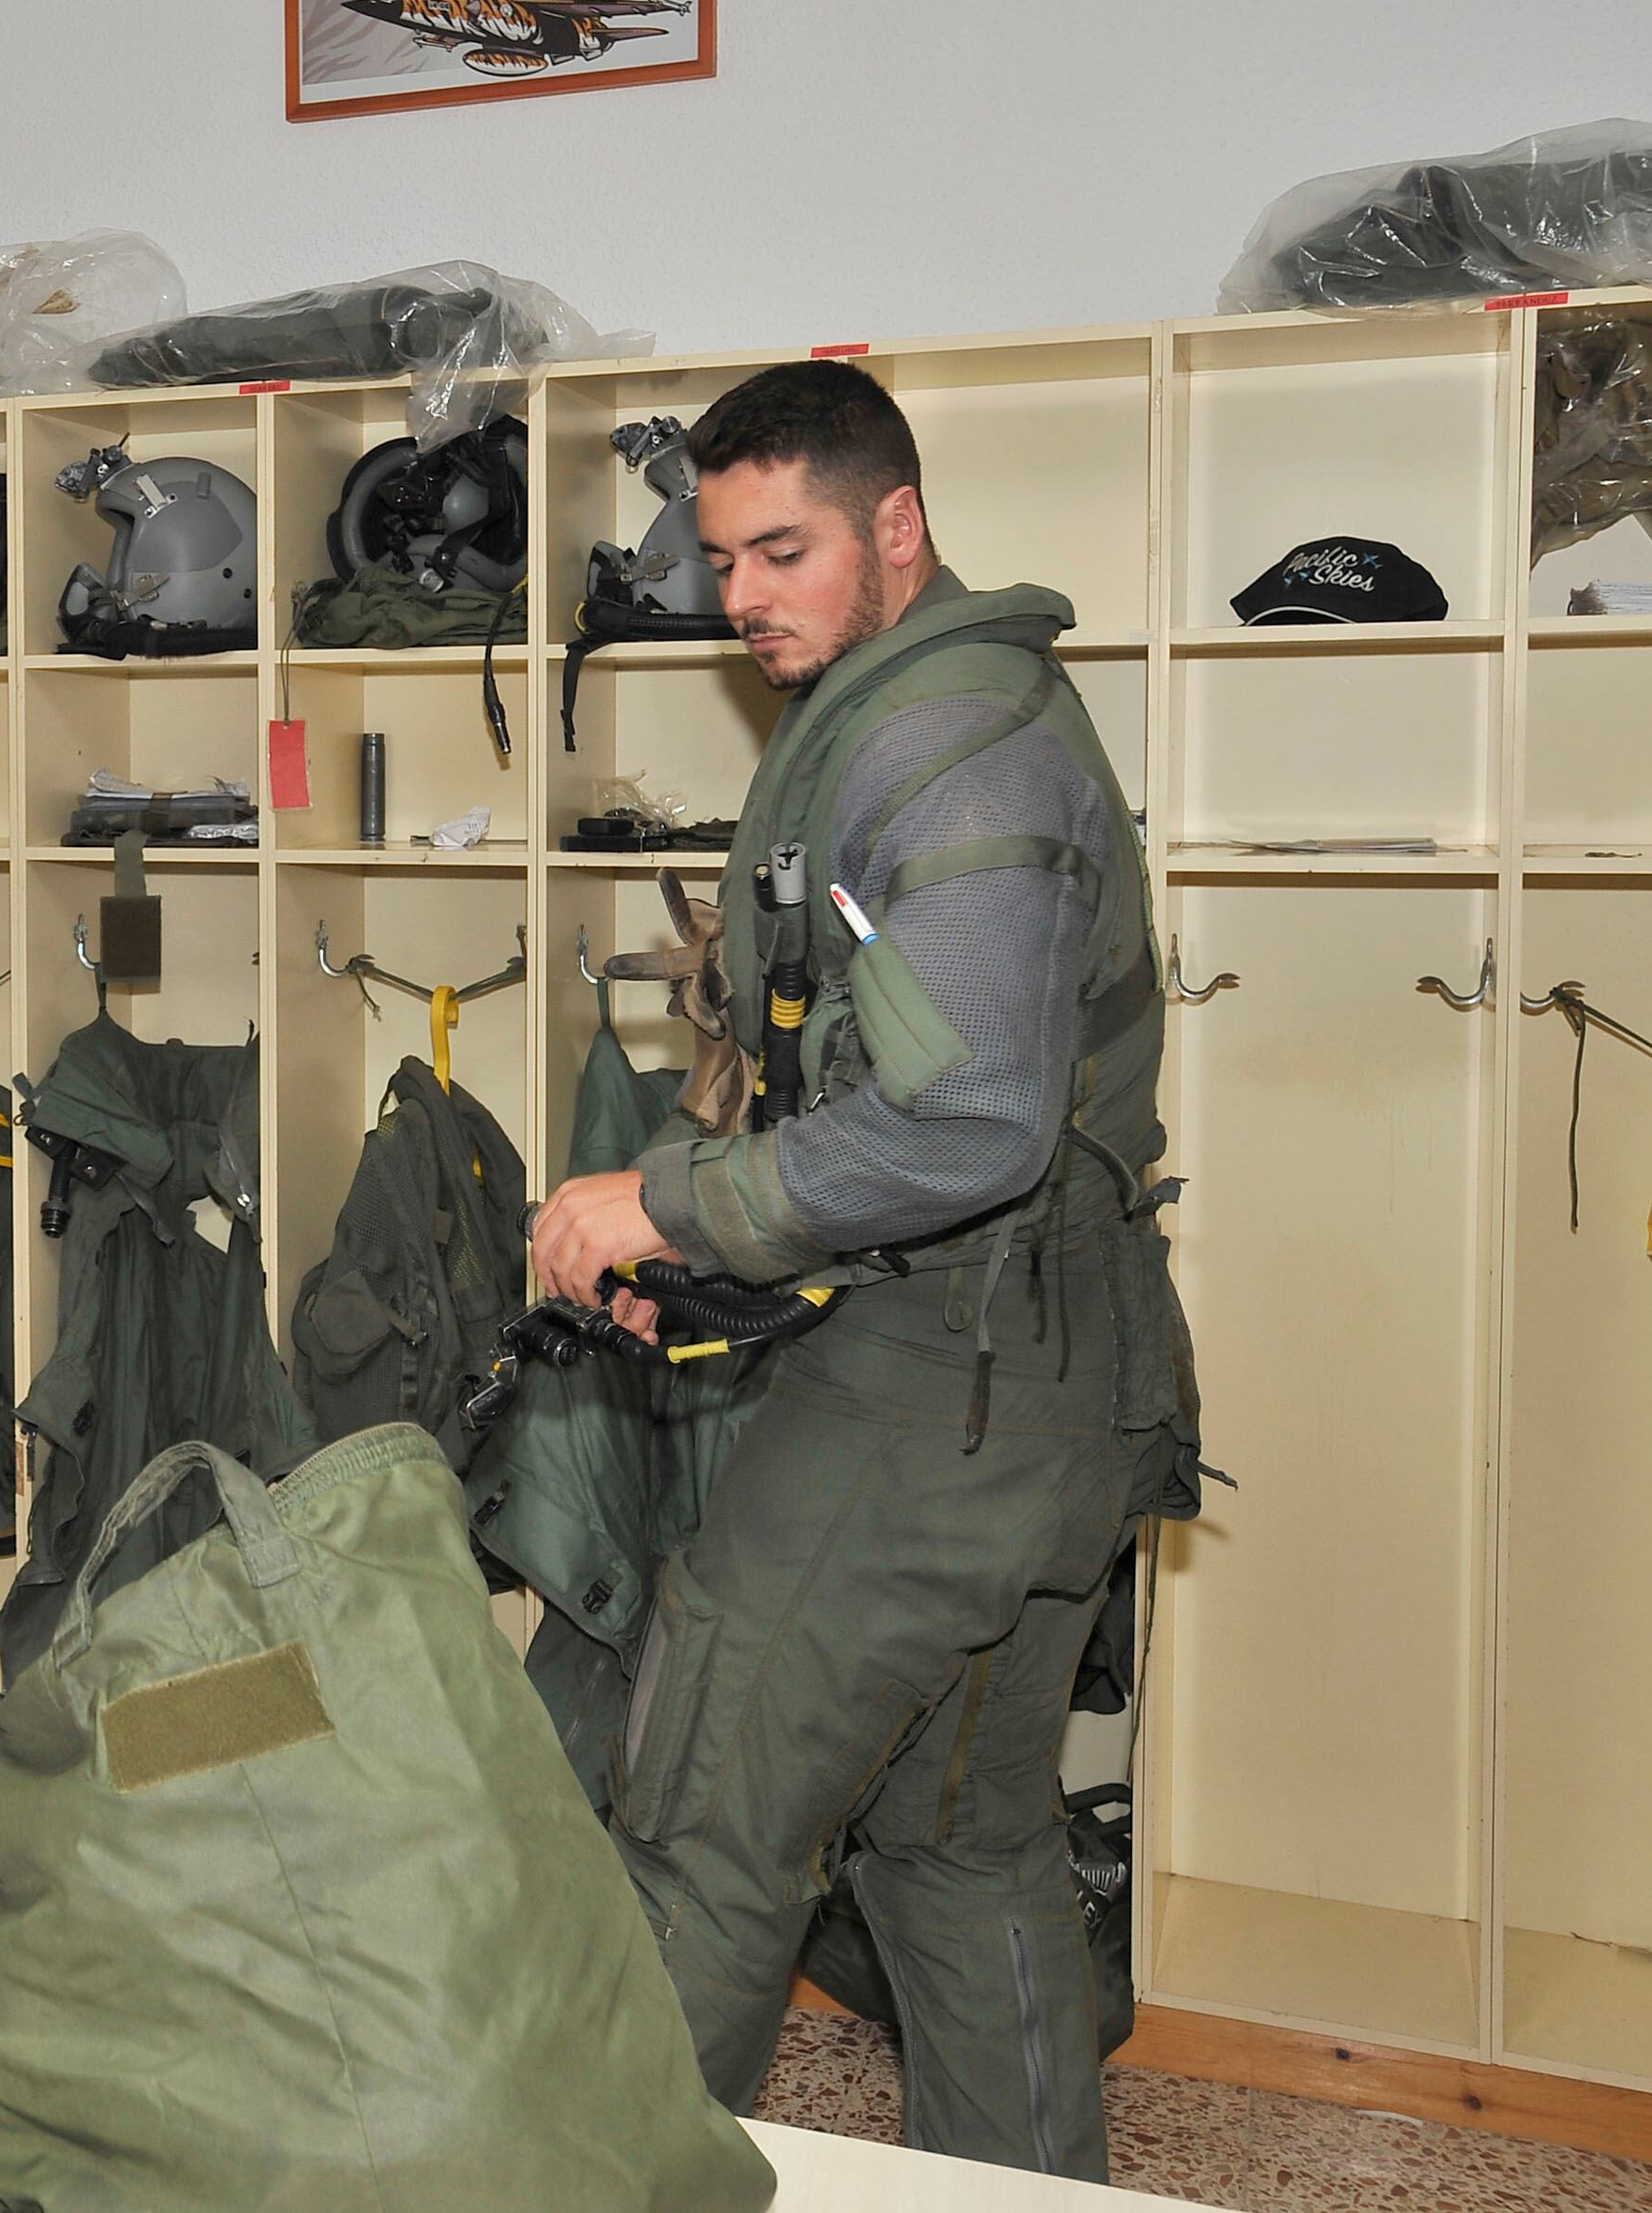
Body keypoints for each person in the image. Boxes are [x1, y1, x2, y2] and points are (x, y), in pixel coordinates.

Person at [526, 361, 1198, 2179]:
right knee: (955, 1847)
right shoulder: (908, 708)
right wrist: (737, 1249)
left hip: (943, 1387)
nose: (739, 596)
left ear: (890, 526)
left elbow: (964, 1119)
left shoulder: (946, 741)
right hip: (1035, 1372)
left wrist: (667, 1206)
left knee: (697, 1808)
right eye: (719, 559)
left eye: (779, 548)